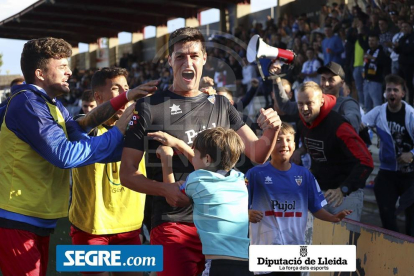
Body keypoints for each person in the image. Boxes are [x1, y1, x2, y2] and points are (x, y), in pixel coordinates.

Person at [120, 27, 281, 276]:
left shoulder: (221, 104)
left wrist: (272, 130)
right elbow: (127, 174)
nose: (188, 61)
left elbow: (258, 154)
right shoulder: (149, 107)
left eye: (194, 55)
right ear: (170, 60)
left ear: (204, 59)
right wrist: (164, 189)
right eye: (181, 56)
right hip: (173, 224)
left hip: (220, 228)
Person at [0, 37, 157, 276]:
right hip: (23, 217)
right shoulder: (28, 104)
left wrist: (124, 102)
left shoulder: (51, 105)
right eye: (62, 66)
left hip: (121, 227)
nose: (69, 72)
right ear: (40, 73)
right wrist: (119, 131)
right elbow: (65, 154)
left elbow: (80, 127)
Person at [69, 67, 147, 276]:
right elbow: (88, 121)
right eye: (117, 89)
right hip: (91, 228)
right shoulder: (83, 127)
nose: (125, 93)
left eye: (127, 89)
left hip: (129, 227)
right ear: (98, 96)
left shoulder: (141, 127)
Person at [246, 122, 351, 276]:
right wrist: (247, 214)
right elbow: (238, 206)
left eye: (288, 140)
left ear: (294, 145)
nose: (284, 144)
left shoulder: (305, 175)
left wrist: (332, 217)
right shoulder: (254, 174)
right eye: (279, 140)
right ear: (267, 145)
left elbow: (315, 207)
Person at [156, 127, 252, 276]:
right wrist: (179, 144)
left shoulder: (197, 179)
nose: (192, 157)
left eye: (195, 154)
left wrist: (166, 159)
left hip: (219, 266)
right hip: (245, 265)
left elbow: (173, 196)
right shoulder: (240, 179)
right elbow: (210, 168)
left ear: (207, 159)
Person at [295, 82, 373, 221]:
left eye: (309, 103)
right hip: (320, 193)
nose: (304, 108)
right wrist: (300, 152)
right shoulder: (303, 123)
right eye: (300, 103)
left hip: (346, 195)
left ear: (321, 101)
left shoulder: (339, 125)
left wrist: (344, 189)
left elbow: (366, 161)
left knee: (344, 242)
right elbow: (318, 151)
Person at [362, 74, 414, 236]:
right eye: (389, 90)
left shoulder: (411, 115)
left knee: (412, 221)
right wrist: (365, 142)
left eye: (395, 90)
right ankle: (392, 246)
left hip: (410, 174)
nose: (392, 93)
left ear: (402, 94)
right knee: (386, 217)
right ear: (385, 93)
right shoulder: (379, 111)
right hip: (387, 171)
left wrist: (411, 153)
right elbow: (361, 124)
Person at [363, 33, 391, 112]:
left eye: (373, 40)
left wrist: (372, 58)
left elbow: (384, 62)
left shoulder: (381, 51)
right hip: (366, 80)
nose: (370, 42)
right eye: (369, 40)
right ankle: (367, 123)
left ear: (378, 41)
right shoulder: (368, 51)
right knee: (367, 104)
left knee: (377, 104)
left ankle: (378, 122)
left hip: (376, 81)